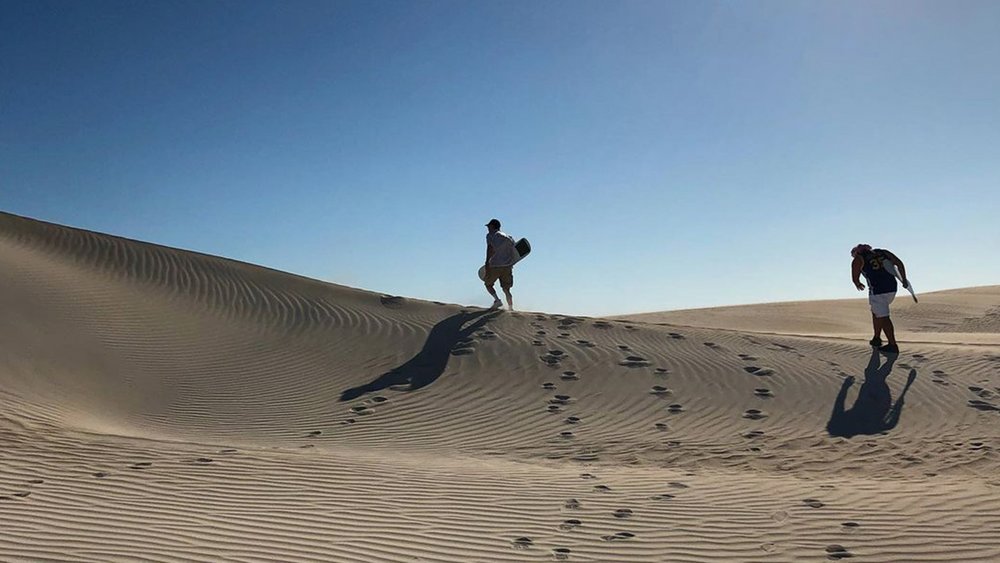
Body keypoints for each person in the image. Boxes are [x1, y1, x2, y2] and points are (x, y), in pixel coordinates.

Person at [851, 244, 910, 354]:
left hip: (878, 291)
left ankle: (892, 345)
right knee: (876, 313)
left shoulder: (859, 259)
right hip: (892, 288)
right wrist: (904, 279)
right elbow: (898, 263)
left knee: (883, 317)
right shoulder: (883, 252)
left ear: (857, 253)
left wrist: (858, 283)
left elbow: (854, 277)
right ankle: (876, 338)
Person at [484, 218, 516, 310]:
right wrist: (511, 262)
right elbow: (513, 250)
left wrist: (487, 262)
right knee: (506, 289)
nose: (488, 228)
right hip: (507, 266)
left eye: (489, 226)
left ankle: (497, 300)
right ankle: (510, 308)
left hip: (495, 265)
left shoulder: (491, 235)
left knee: (488, 284)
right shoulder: (509, 237)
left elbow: (490, 249)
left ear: (493, 226)